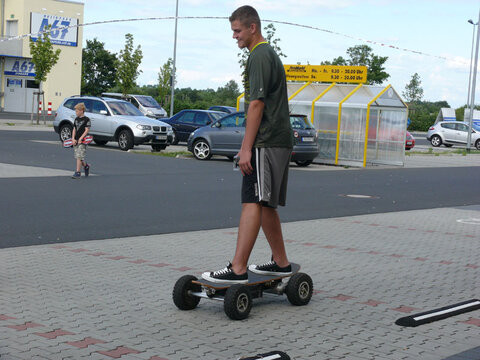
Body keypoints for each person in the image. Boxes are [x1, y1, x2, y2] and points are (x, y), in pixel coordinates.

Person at [202, 5, 294, 283]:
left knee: (251, 201)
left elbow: (256, 104)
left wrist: (245, 148)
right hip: (275, 140)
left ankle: (238, 267)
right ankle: (281, 263)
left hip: (266, 141)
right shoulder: (265, 54)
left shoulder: (259, 55)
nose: (235, 37)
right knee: (265, 204)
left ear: (252, 28)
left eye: (237, 30)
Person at [71, 103, 91, 179]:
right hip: (76, 140)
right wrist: (73, 138)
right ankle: (86, 166)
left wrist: (81, 138)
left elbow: (87, 130)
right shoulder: (76, 119)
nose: (76, 113)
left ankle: (78, 172)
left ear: (82, 111)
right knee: (78, 156)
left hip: (83, 141)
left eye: (77, 111)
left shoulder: (87, 120)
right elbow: (74, 129)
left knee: (79, 156)